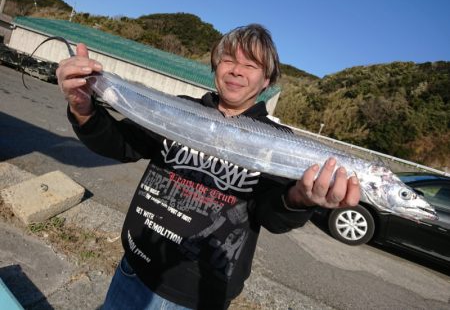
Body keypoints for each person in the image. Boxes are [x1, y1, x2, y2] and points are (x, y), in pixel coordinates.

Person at [56, 24, 360, 309]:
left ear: (266, 80)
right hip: (136, 272)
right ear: (216, 65)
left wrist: (300, 199)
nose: (237, 70)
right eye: (228, 59)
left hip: (203, 295)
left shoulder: (279, 144)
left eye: (251, 65)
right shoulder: (178, 109)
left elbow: (272, 216)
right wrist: (82, 108)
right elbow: (120, 144)